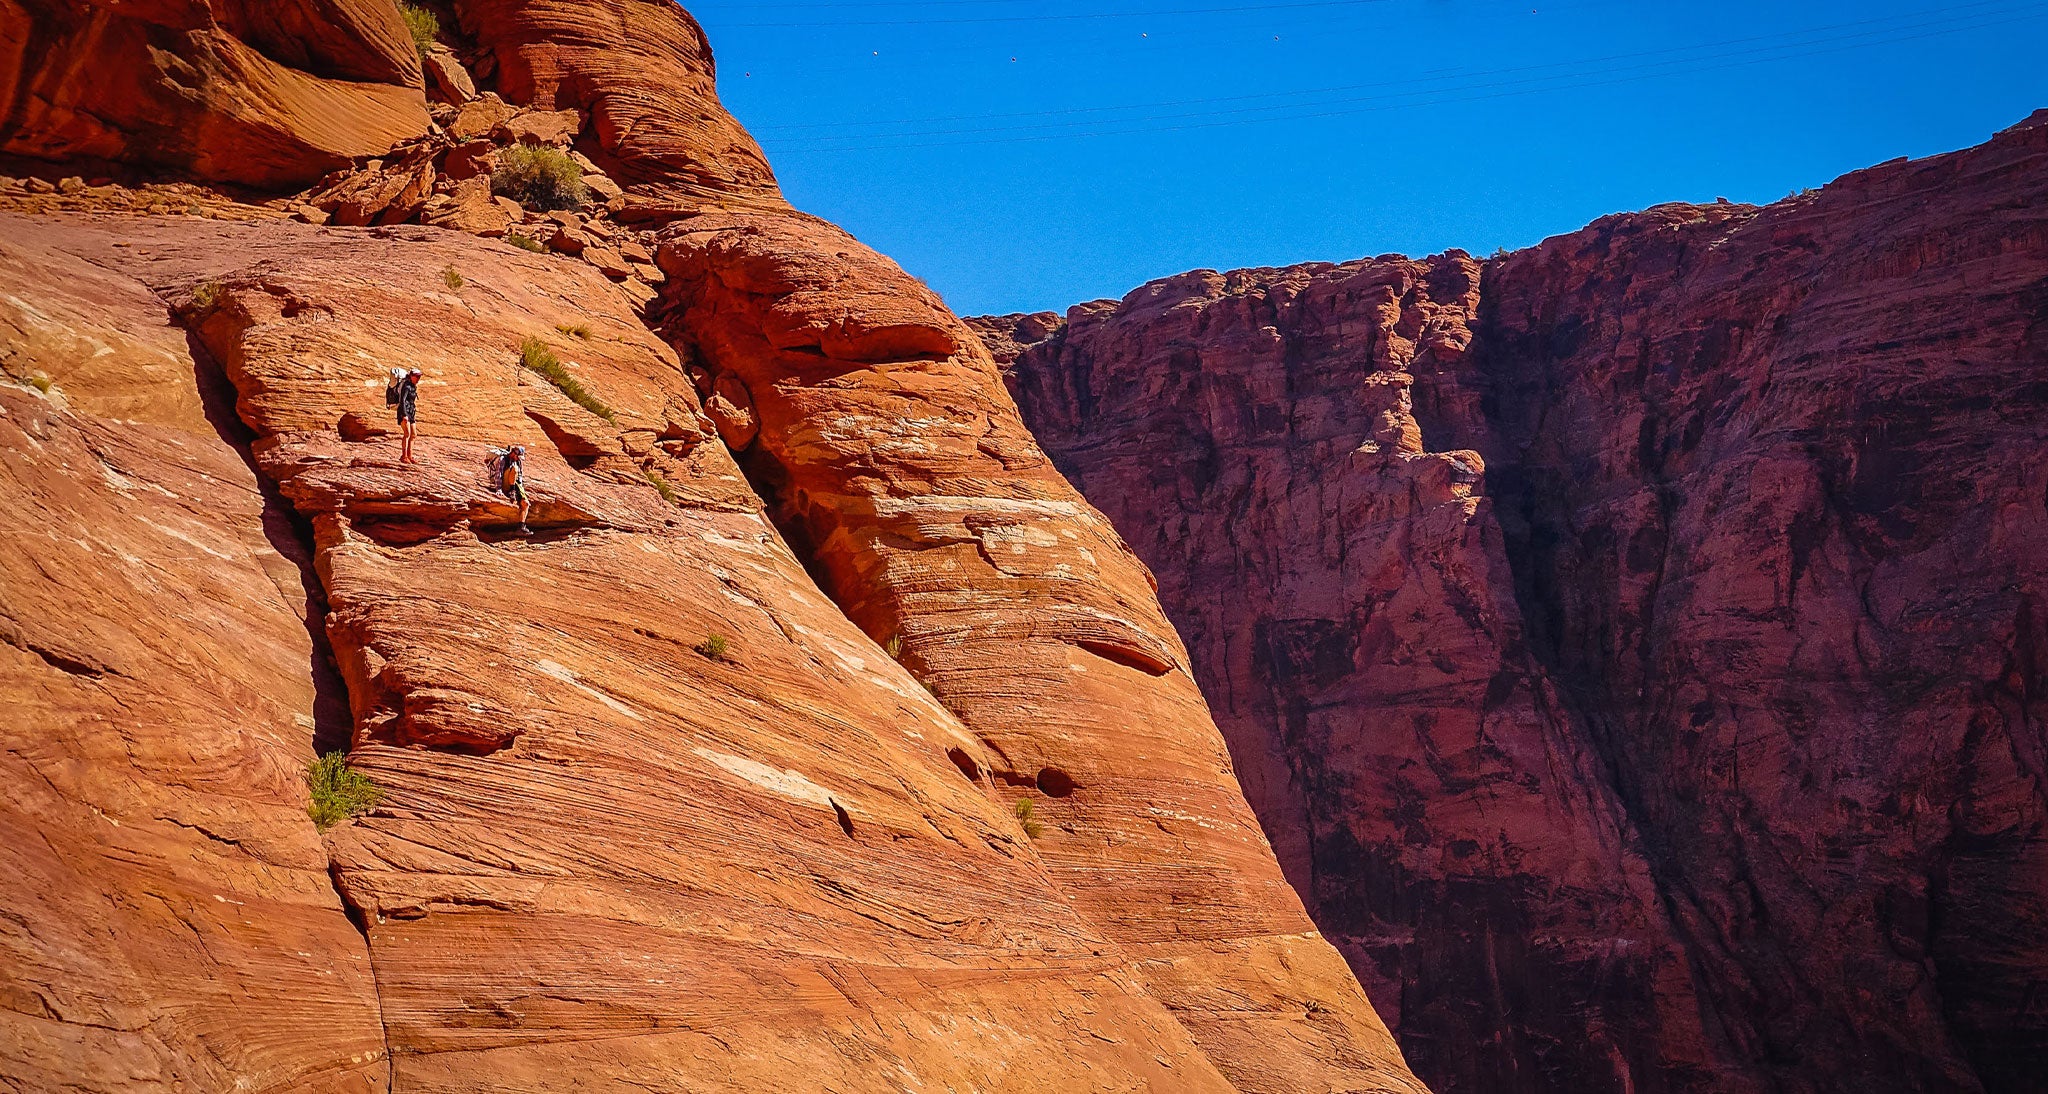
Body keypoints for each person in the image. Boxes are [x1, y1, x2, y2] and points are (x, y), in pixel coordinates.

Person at [490, 443, 530, 534]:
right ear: (514, 453)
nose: (518, 459)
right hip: (505, 484)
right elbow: (498, 474)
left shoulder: (518, 462)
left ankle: (521, 527)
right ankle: (512, 491)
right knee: (514, 469)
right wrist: (499, 489)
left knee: (526, 504)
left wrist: (520, 491)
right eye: (518, 456)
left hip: (515, 484)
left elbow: (520, 477)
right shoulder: (503, 459)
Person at [388, 368, 422, 463]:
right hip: (404, 412)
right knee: (407, 434)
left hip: (411, 412)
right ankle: (404, 456)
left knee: (414, 435)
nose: (419, 378)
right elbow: (402, 400)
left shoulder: (413, 386)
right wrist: (404, 415)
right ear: (412, 376)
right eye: (417, 376)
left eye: (419, 376)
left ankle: (410, 455)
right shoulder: (406, 386)